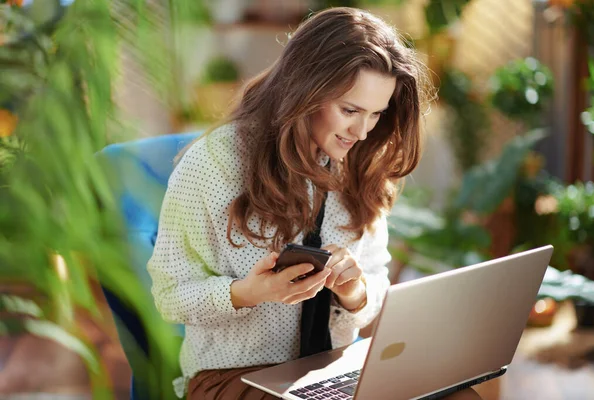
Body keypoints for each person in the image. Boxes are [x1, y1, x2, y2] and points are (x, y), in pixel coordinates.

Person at [147, 7, 482, 400]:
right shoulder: (213, 164)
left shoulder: (361, 163)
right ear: (305, 92)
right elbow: (169, 297)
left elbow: (375, 284)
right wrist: (248, 292)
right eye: (350, 111)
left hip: (333, 371)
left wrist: (354, 290)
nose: (361, 132)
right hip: (233, 375)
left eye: (376, 114)